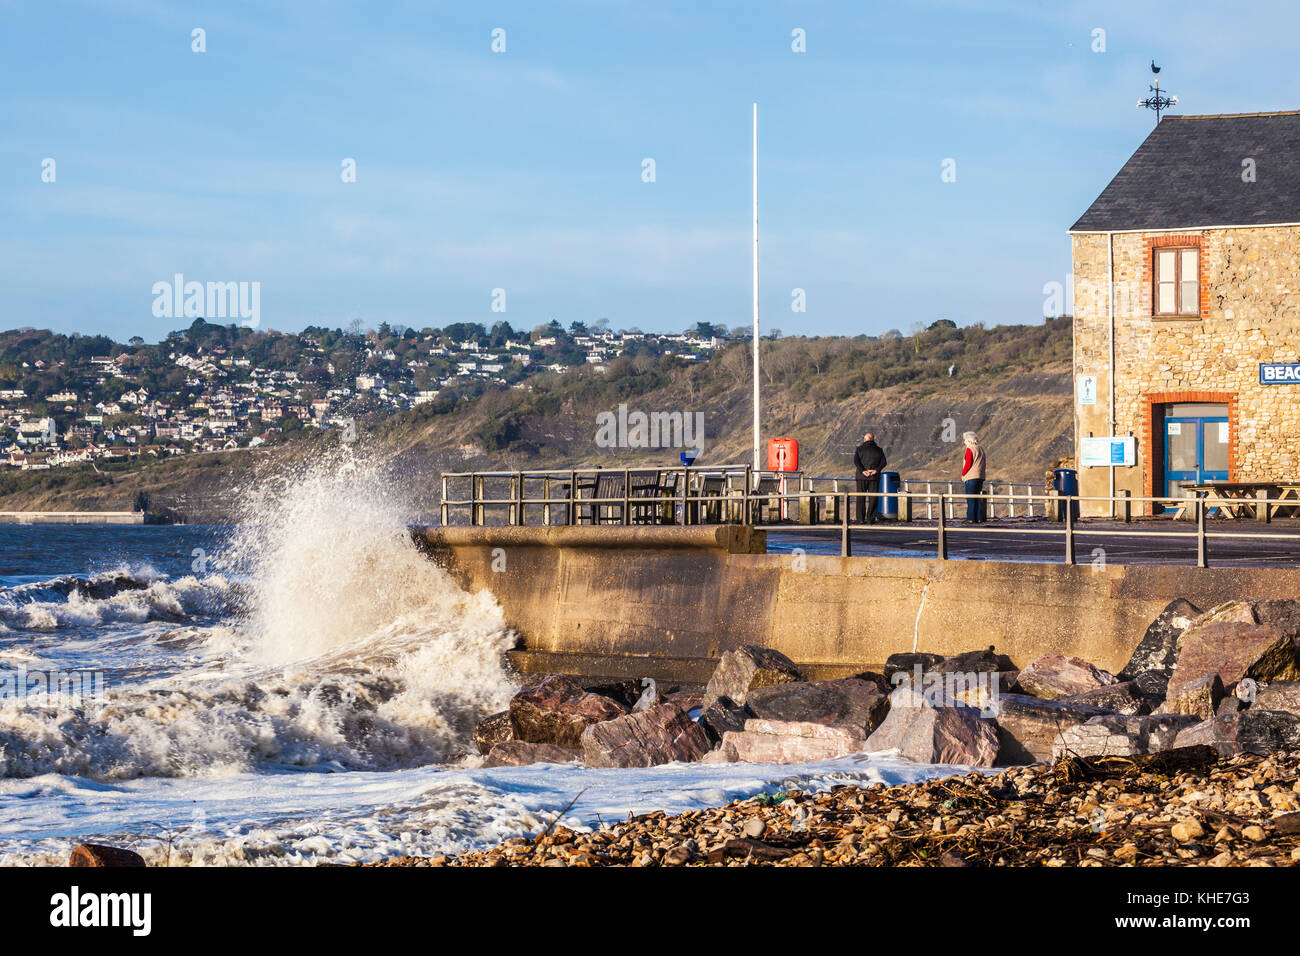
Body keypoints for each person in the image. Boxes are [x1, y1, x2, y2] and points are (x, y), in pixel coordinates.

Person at [853, 431, 887, 524]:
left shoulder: (859, 449)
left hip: (861, 477)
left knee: (860, 498)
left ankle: (860, 519)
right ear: (873, 440)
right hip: (874, 477)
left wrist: (863, 471)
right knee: (873, 498)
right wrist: (876, 470)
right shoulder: (879, 450)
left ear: (865, 439)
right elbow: (884, 462)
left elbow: (856, 461)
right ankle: (870, 519)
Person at [961, 431, 986, 523]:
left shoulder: (970, 449)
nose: (964, 442)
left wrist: (963, 474)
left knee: (970, 498)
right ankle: (979, 518)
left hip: (971, 477)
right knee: (977, 497)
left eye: (965, 440)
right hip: (980, 476)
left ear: (969, 440)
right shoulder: (981, 449)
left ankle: (971, 518)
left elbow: (968, 464)